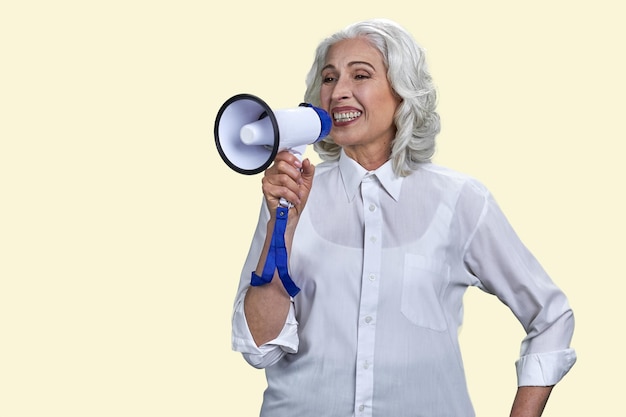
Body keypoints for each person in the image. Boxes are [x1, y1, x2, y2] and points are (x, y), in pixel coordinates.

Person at [230, 18, 576, 417]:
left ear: (403, 92)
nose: (339, 92)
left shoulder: (460, 199)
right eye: (329, 78)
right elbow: (260, 347)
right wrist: (283, 225)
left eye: (360, 75)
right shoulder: (289, 198)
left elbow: (551, 316)